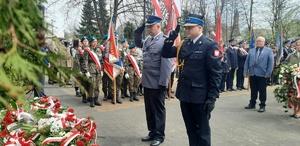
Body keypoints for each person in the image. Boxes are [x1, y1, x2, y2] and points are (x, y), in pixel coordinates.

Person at [161, 14, 222, 146]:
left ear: (200, 28)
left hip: (200, 97)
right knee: (191, 130)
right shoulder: (184, 44)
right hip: (185, 94)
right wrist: (170, 39)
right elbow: (165, 53)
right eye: (186, 28)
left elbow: (216, 74)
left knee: (203, 132)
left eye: (190, 28)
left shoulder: (209, 45)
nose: (187, 30)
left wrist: (212, 97)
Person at [134, 15, 174, 146]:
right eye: (147, 27)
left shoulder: (165, 41)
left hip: (157, 82)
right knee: (149, 109)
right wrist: (137, 34)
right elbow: (138, 44)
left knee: (158, 110)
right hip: (147, 81)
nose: (149, 29)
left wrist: (163, 83)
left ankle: (159, 135)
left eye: (150, 27)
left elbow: (167, 64)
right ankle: (152, 132)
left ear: (158, 26)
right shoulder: (148, 40)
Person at [244, 36, 274, 112]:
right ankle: (252, 103)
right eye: (257, 41)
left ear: (264, 42)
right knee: (253, 90)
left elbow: (271, 63)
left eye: (260, 41)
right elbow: (247, 62)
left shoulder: (269, 51)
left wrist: (268, 73)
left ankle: (262, 105)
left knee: (262, 90)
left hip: (263, 74)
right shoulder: (251, 51)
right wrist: (245, 72)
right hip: (253, 73)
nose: (258, 42)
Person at [82, 36, 102, 107]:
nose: (95, 43)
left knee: (97, 85)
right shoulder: (87, 50)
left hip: (98, 70)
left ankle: (96, 99)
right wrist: (86, 71)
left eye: (96, 42)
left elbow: (101, 61)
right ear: (90, 43)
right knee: (92, 85)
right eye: (94, 42)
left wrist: (101, 70)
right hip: (91, 70)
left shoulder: (99, 50)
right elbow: (85, 61)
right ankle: (92, 100)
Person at [283, 39, 300, 119]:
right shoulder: (291, 55)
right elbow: (285, 63)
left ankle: (299, 111)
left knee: (299, 95)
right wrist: (288, 69)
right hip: (292, 78)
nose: (298, 46)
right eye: (297, 45)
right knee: (293, 95)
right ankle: (295, 109)